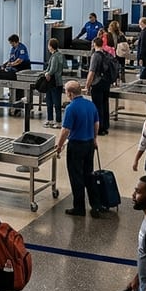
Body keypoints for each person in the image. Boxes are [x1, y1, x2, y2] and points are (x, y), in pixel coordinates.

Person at [54, 81, 101, 217]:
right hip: (89, 144)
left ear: (69, 93)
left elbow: (65, 130)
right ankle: (96, 206)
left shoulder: (71, 108)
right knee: (89, 174)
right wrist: (94, 138)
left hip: (76, 145)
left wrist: (59, 145)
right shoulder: (90, 105)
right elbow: (96, 123)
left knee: (76, 177)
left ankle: (79, 207)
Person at [87, 37, 113, 136]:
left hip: (97, 83)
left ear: (94, 44)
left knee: (97, 106)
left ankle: (99, 128)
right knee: (105, 104)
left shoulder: (95, 56)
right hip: (106, 83)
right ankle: (105, 126)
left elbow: (92, 72)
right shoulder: (107, 55)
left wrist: (87, 85)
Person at [43, 38, 65, 128]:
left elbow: (53, 69)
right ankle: (50, 119)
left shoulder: (55, 56)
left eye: (48, 45)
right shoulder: (58, 55)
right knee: (50, 101)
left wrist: (47, 73)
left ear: (51, 46)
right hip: (54, 82)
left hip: (54, 82)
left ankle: (58, 121)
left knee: (56, 103)